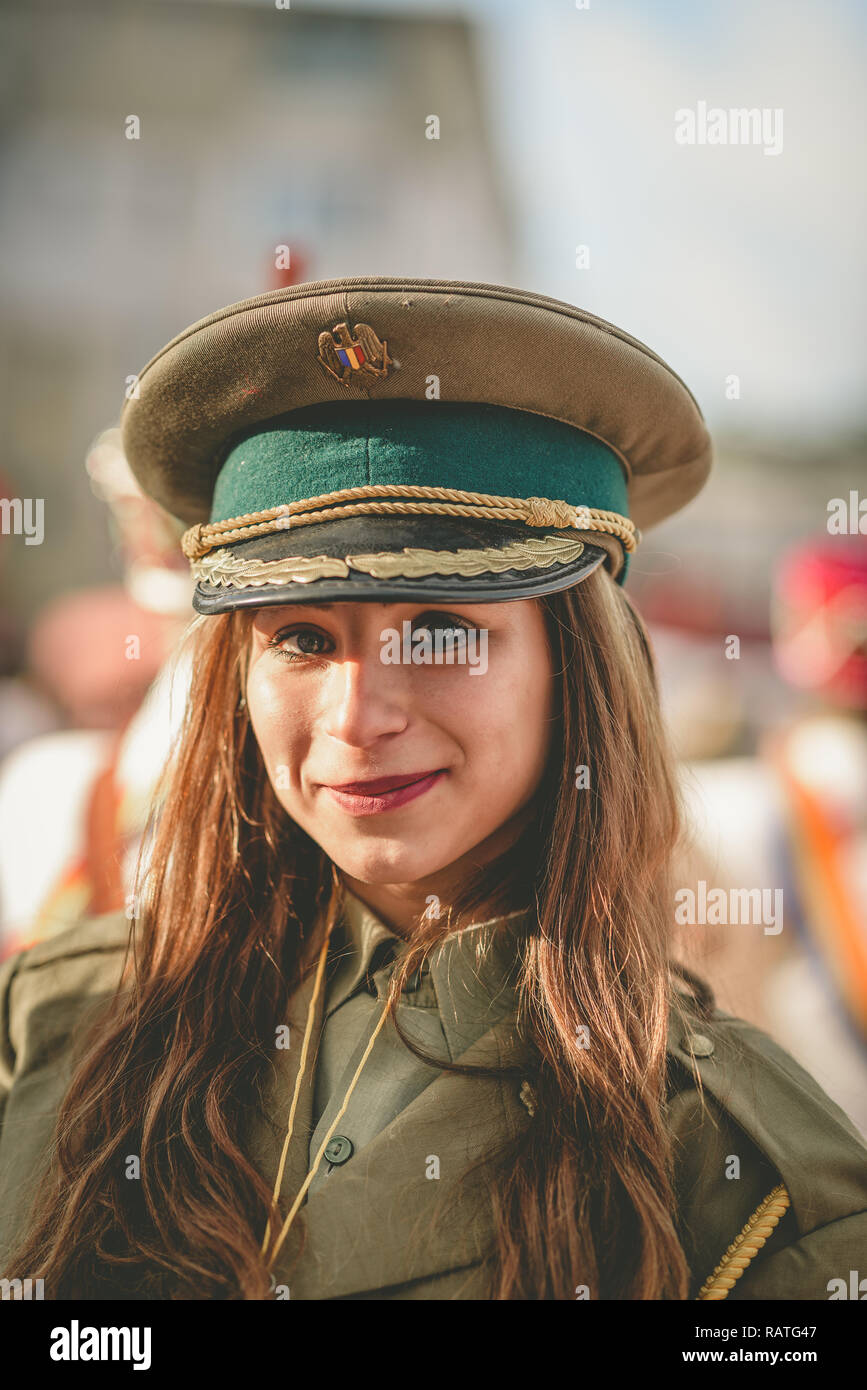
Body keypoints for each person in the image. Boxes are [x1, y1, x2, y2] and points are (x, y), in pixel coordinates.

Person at [0, 277, 865, 1302]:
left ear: (577, 669)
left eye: (443, 631)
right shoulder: (66, 1015)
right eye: (304, 639)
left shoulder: (741, 1165)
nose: (359, 717)